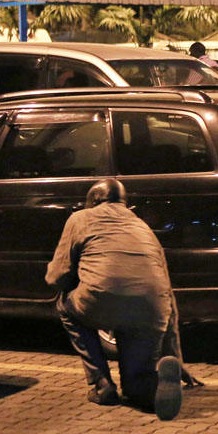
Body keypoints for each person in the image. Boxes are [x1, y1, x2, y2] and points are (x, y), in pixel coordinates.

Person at [45, 179, 185, 419]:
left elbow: (57, 277)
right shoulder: (142, 226)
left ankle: (102, 384)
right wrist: (175, 356)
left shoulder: (79, 219)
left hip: (101, 302)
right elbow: (168, 297)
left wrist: (77, 281)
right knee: (135, 385)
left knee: (65, 304)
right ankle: (150, 390)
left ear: (95, 200)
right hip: (152, 309)